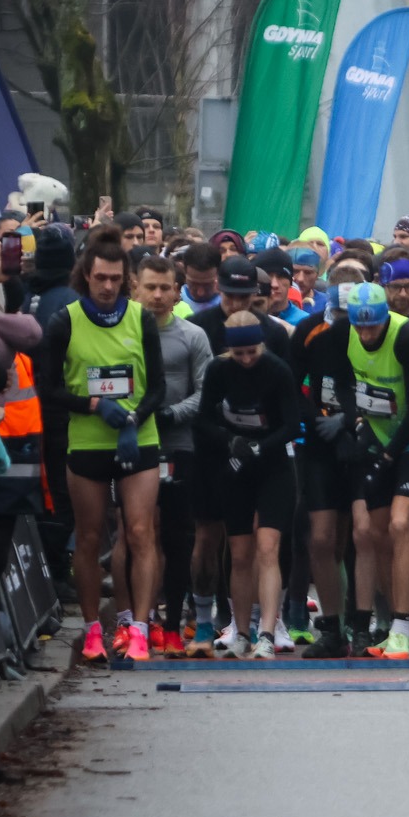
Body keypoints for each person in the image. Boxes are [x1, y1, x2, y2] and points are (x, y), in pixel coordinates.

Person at [36, 226, 165, 661]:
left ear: (125, 279)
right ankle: (94, 630)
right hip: (88, 441)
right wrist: (93, 404)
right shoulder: (64, 321)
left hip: (138, 439)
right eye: (100, 278)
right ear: (85, 277)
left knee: (140, 531)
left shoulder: (141, 318)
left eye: (115, 279)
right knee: (90, 537)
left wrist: (132, 419)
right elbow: (48, 388)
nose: (108, 286)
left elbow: (158, 389)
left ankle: (140, 629)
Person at [331, 281, 409, 659]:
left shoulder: (405, 336)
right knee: (376, 533)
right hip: (376, 434)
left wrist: (390, 456)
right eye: (359, 327)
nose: (365, 334)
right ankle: (400, 626)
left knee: (400, 524)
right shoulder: (346, 332)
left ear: (383, 318)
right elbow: (342, 383)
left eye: (372, 327)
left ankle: (400, 624)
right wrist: (355, 418)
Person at [196, 312, 301, 658]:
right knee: (239, 553)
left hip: (273, 465)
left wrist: (260, 446)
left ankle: (267, 632)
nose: (245, 360)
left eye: (251, 352)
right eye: (238, 354)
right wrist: (229, 441)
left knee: (268, 548)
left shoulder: (276, 370)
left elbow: (290, 424)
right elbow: (204, 419)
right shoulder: (218, 370)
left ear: (261, 345)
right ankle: (241, 630)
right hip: (236, 466)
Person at [136, 253, 209, 654]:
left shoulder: (192, 336)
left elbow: (206, 390)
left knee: (180, 537)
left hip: (179, 446)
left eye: (166, 288)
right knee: (138, 534)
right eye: (151, 287)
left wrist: (169, 414)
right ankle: (137, 622)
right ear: (136, 288)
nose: (158, 295)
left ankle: (172, 620)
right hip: (133, 444)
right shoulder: (124, 333)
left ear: (177, 292)